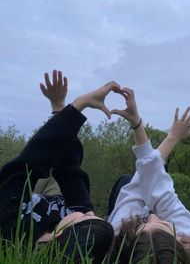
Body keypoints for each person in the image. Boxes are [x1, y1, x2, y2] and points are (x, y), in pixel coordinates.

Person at [0, 75, 117, 263]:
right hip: (51, 204)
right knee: (61, 177)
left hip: (25, 203)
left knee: (41, 170)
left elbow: (23, 168)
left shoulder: (10, 232)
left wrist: (80, 104)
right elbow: (70, 172)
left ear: (58, 235)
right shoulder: (78, 232)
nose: (91, 212)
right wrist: (59, 108)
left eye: (87, 217)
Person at [107, 87, 190, 263]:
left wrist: (140, 126)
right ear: (181, 243)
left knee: (127, 182)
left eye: (144, 224)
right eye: (163, 225)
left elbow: (140, 186)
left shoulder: (117, 236)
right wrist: (168, 136)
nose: (153, 216)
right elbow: (157, 189)